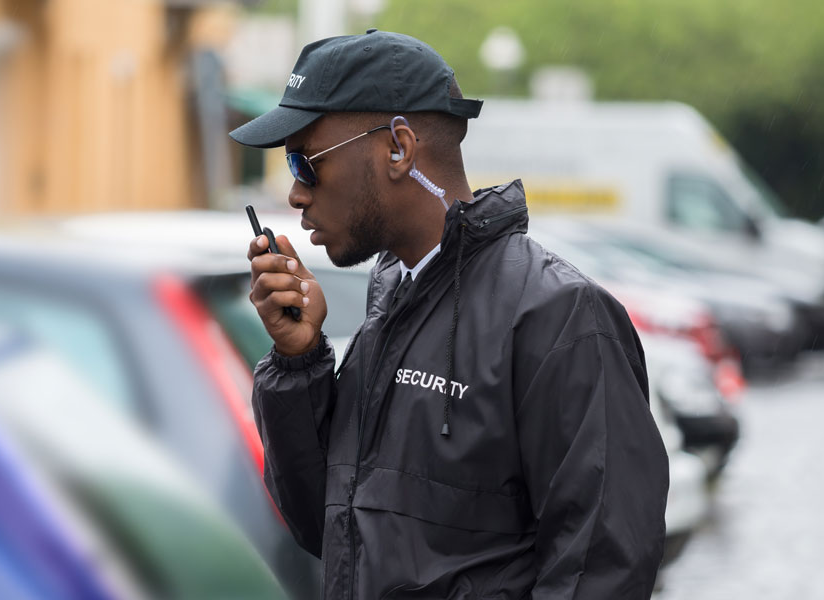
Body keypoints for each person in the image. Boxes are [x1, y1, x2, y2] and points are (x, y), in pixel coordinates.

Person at [231, 30, 668, 599]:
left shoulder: (558, 315)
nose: (294, 193)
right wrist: (300, 362)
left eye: (304, 161)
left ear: (398, 148)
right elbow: (327, 527)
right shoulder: (390, 308)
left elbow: (601, 567)